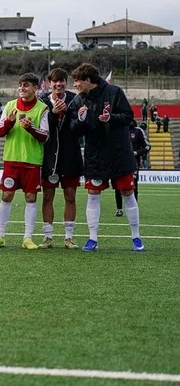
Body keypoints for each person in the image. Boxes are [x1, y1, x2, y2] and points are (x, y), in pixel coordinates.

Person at [69, 63, 143, 252]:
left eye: (77, 81)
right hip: (95, 156)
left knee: (127, 193)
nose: (75, 85)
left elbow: (128, 117)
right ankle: (93, 239)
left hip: (119, 153)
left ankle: (136, 237)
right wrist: (81, 120)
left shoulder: (114, 92)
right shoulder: (78, 101)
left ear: (87, 80)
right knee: (93, 194)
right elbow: (74, 130)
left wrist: (111, 118)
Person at [0, 74, 50, 249]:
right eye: (20, 85)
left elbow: (45, 136)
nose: (22, 88)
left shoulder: (42, 108)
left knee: (31, 197)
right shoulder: (10, 106)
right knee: (6, 195)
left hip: (32, 160)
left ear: (35, 88)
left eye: (26, 85)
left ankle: (27, 238)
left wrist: (30, 128)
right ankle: (0, 236)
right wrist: (9, 122)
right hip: (12, 159)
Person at [39, 68, 83, 249]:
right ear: (50, 83)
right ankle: (48, 237)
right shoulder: (42, 102)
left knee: (70, 196)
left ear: (66, 82)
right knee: (47, 196)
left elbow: (81, 128)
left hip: (70, 156)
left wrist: (69, 113)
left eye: (62, 81)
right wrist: (53, 113)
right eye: (55, 81)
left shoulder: (75, 99)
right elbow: (41, 128)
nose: (58, 84)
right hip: (49, 157)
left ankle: (68, 237)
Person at [120, 122, 150, 216]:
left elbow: (147, 147)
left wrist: (137, 153)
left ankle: (134, 208)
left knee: (133, 185)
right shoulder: (120, 129)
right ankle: (119, 208)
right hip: (120, 162)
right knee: (118, 186)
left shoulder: (138, 131)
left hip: (133, 163)